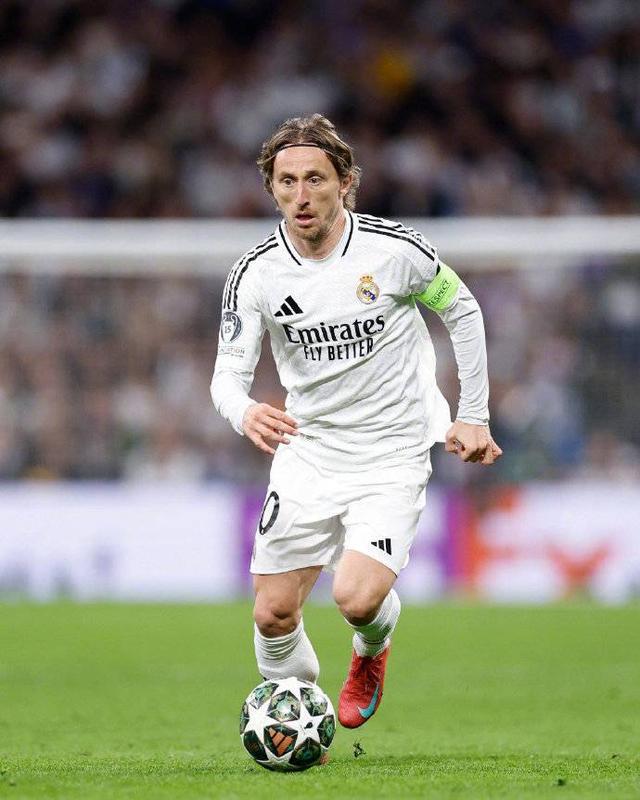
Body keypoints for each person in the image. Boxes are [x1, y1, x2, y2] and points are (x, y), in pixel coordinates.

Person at [211, 114, 502, 729]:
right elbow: (226, 378)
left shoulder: (393, 251)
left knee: (356, 598)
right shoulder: (256, 273)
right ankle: (297, 721)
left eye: (315, 179)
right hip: (309, 451)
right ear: (272, 189)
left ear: (345, 182)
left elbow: (463, 310)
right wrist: (246, 411)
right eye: (286, 181)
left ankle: (372, 647)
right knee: (271, 614)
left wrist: (473, 414)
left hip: (392, 452)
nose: (301, 195)